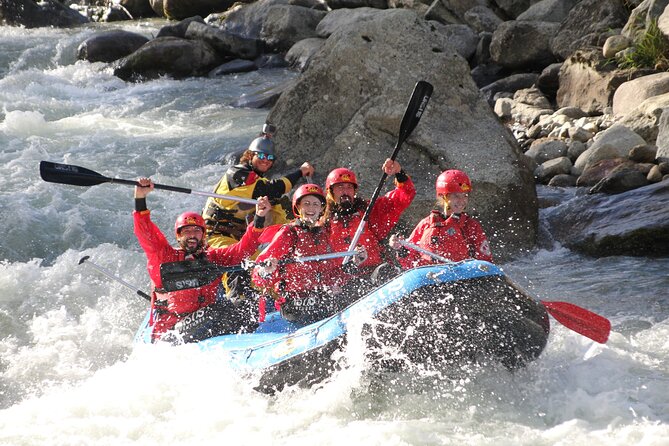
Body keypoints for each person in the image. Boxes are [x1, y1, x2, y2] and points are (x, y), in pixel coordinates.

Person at [133, 177, 272, 343]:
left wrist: (259, 217)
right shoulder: (164, 257)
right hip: (172, 331)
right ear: (178, 235)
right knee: (220, 309)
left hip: (203, 323)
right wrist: (140, 199)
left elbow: (243, 250)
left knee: (246, 311)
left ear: (203, 235)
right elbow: (145, 233)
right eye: (187, 231)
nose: (192, 235)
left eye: (196, 231)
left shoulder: (213, 257)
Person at [202, 124, 315, 305]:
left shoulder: (258, 182)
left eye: (270, 158)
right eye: (261, 156)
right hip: (216, 236)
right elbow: (273, 189)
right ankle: (238, 302)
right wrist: (300, 173)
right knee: (237, 264)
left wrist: (299, 229)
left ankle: (280, 300)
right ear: (250, 155)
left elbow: (278, 206)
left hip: (240, 239)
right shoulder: (238, 174)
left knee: (263, 267)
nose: (266, 160)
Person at [251, 184, 367, 324]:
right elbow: (257, 274)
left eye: (315, 204)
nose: (311, 208)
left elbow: (332, 274)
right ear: (298, 207)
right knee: (322, 307)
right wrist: (266, 270)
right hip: (293, 303)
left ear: (321, 209)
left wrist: (354, 263)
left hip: (320, 297)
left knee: (352, 295)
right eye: (306, 204)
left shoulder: (324, 234)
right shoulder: (289, 233)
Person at [322, 159, 416, 283]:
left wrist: (399, 173)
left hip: (375, 273)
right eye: (340, 187)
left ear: (354, 191)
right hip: (343, 281)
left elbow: (403, 197)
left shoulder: (369, 210)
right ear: (330, 192)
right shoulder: (323, 223)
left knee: (385, 271)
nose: (345, 191)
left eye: (349, 187)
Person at [388, 169, 493, 268]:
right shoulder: (426, 224)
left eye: (465, 195)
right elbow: (409, 262)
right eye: (456, 196)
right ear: (443, 197)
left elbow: (485, 262)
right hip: (429, 278)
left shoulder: (470, 226)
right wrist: (400, 248)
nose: (462, 201)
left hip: (461, 278)